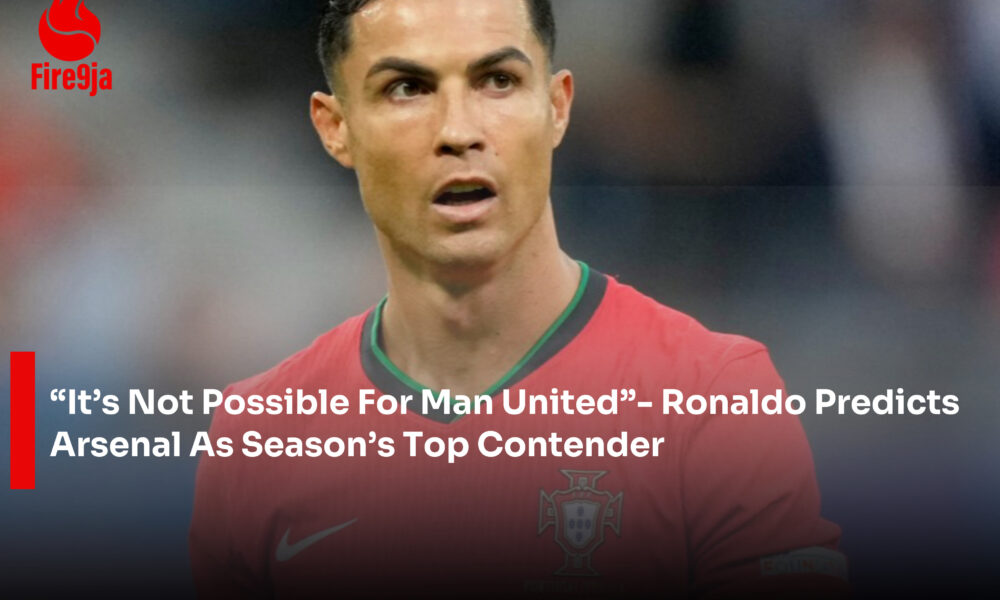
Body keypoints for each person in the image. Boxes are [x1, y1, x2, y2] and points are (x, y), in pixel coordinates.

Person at [189, 0, 848, 596]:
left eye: (497, 81)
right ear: (336, 129)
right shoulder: (257, 437)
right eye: (407, 88)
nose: (459, 131)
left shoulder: (711, 395)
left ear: (557, 107)